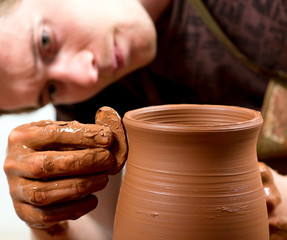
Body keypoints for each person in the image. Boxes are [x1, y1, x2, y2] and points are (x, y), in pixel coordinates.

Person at [1, 0, 287, 239]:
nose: (85, 75)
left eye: (45, 41)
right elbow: (100, 232)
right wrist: (45, 216)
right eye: (51, 90)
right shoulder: (90, 105)